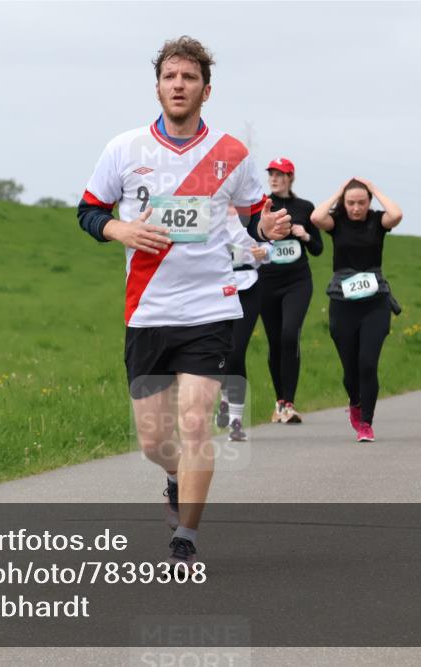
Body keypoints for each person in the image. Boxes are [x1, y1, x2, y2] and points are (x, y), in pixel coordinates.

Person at [76, 36, 291, 566]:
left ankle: (185, 538)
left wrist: (265, 228)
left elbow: (254, 218)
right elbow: (88, 211)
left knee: (196, 422)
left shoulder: (232, 154)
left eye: (189, 77)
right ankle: (174, 476)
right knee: (154, 441)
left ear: (205, 90)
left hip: (209, 309)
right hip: (147, 311)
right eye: (170, 76)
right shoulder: (124, 149)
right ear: (157, 87)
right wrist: (121, 230)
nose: (179, 85)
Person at [310, 178, 403, 442]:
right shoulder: (337, 222)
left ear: (369, 202)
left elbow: (396, 214)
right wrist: (339, 191)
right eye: (351, 203)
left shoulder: (377, 221)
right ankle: (355, 401)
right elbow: (316, 217)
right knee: (351, 372)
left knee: (367, 364)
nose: (356, 208)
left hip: (375, 303)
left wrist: (374, 189)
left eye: (362, 202)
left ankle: (366, 423)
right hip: (343, 305)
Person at [256, 158, 323, 425]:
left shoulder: (305, 207)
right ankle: (279, 403)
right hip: (267, 282)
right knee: (275, 342)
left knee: (289, 334)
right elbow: (251, 236)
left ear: (290, 178)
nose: (274, 178)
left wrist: (305, 235)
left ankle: (289, 403)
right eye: (271, 174)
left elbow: (318, 249)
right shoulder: (262, 205)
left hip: (297, 282)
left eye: (280, 174)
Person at [216, 212, 270, 441]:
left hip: (247, 285)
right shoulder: (207, 208)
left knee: (236, 352)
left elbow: (270, 242)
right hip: (214, 289)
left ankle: (236, 421)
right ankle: (225, 397)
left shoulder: (251, 210)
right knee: (219, 353)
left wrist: (265, 251)